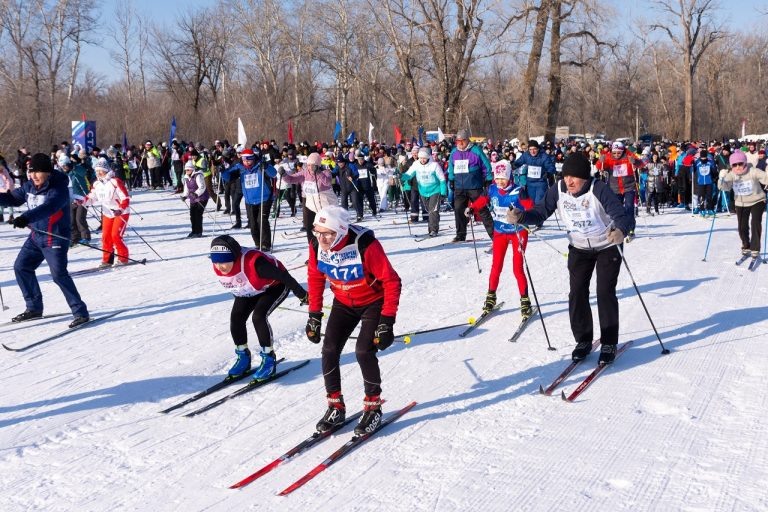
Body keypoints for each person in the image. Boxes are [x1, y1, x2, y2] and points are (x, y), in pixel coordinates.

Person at [507, 153, 631, 364]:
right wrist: (521, 216)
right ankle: (583, 340)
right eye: (566, 176)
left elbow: (623, 215)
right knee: (577, 293)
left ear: (584, 177)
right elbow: (540, 212)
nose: (569, 181)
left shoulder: (598, 188)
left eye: (574, 177)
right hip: (579, 247)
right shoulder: (558, 189)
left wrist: (621, 230)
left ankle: (609, 342)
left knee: (604, 292)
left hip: (607, 245)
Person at [305, 205, 401, 435]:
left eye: (327, 233)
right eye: (317, 231)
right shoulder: (317, 244)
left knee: (363, 351)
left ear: (340, 231)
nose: (322, 238)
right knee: (329, 349)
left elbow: (392, 281)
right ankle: (335, 405)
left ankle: (373, 406)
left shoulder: (365, 245)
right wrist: (314, 316)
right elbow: (315, 277)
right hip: (343, 301)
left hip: (373, 301)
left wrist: (387, 322)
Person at [0, 153, 90, 327]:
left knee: (58, 275)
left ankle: (80, 312)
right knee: (22, 267)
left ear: (47, 172)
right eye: (31, 172)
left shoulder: (59, 188)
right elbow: (13, 199)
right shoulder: (29, 186)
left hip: (54, 238)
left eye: (37, 172)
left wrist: (26, 217)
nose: (33, 176)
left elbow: (49, 207)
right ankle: (34, 308)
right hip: (35, 237)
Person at [210, 235, 308, 381]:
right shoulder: (221, 265)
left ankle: (269, 359)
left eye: (223, 262)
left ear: (235, 257)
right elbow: (237, 283)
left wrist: (302, 295)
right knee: (236, 318)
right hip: (251, 289)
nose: (219, 266)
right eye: (215, 262)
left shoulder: (255, 264)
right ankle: (243, 357)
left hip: (275, 286)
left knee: (258, 317)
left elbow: (284, 277)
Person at [467, 160, 534, 318]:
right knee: (496, 266)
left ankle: (525, 301)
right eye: (497, 178)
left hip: (518, 232)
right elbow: (481, 201)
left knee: (517, 268)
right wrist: (471, 208)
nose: (500, 181)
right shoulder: (491, 189)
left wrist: (521, 214)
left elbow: (531, 208)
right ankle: (491, 297)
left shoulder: (519, 191)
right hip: (500, 232)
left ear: (510, 176)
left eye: (503, 178)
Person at [80, 158, 131, 267]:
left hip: (121, 212)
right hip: (107, 212)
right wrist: (83, 201)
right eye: (97, 171)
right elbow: (92, 197)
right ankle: (107, 260)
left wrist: (120, 209)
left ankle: (123, 258)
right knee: (106, 237)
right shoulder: (97, 184)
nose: (98, 173)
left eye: (101, 170)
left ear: (106, 170)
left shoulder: (115, 182)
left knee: (115, 236)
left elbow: (125, 198)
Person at [718, 150, 768, 260]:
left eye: (740, 163)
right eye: (734, 165)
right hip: (741, 202)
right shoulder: (731, 174)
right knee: (742, 226)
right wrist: (721, 178)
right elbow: (723, 188)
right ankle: (746, 245)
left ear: (745, 163)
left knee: (755, 222)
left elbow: (766, 179)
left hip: (757, 200)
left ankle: (755, 248)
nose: (738, 167)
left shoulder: (753, 171)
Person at [447, 129, 494, 242]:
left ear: (467, 140)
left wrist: (488, 179)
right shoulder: (454, 152)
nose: (460, 143)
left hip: (474, 186)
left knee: (482, 209)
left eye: (463, 140)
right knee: (458, 209)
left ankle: (494, 235)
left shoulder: (476, 150)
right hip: (460, 186)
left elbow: (486, 165)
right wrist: (451, 180)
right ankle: (460, 235)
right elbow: (451, 168)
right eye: (458, 141)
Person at [596, 141, 640, 242]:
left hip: (629, 187)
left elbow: (640, 164)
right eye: (614, 153)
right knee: (616, 210)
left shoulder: (629, 155)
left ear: (623, 151)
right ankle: (618, 228)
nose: (616, 155)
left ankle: (631, 229)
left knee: (629, 208)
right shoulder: (607, 156)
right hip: (614, 188)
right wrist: (600, 161)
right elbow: (600, 167)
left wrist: (635, 162)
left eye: (618, 153)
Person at [401, 147, 448, 237]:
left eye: (424, 158)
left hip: (435, 190)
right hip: (423, 191)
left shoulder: (434, 165)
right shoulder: (416, 164)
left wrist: (443, 192)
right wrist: (401, 176)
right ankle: (435, 222)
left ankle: (433, 230)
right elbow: (408, 174)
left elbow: (442, 179)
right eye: (421, 158)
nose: (422, 160)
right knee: (428, 210)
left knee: (433, 210)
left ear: (428, 157)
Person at [239, 148, 276, 251]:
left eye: (248, 160)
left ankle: (265, 244)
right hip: (249, 200)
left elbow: (273, 173)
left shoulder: (260, 165)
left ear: (253, 158)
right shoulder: (240, 168)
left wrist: (267, 166)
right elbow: (228, 177)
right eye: (244, 160)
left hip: (264, 197)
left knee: (261, 220)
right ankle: (258, 243)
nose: (246, 162)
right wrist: (223, 171)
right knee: (252, 223)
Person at [181, 159, 209, 238]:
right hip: (192, 198)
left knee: (198, 214)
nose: (187, 171)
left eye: (188, 169)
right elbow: (186, 189)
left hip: (202, 198)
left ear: (192, 169)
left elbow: (202, 187)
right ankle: (194, 231)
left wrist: (196, 194)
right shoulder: (186, 178)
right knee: (192, 215)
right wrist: (185, 196)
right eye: (186, 169)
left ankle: (199, 232)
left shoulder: (198, 175)